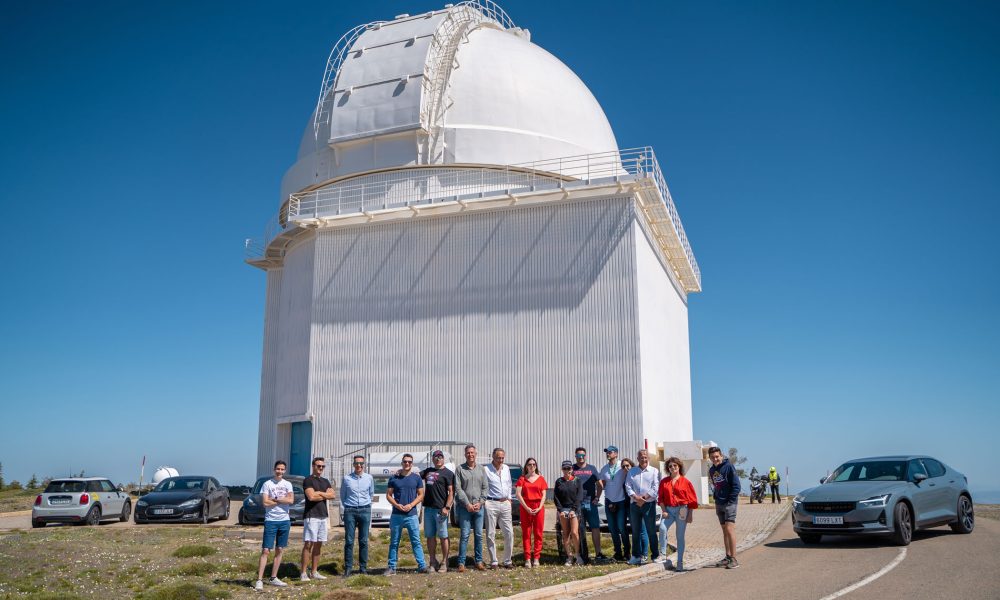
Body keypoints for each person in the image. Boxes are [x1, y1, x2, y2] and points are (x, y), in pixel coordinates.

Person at [255, 460, 295, 590]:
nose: (280, 471)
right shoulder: (267, 484)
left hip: (284, 520)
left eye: (282, 469)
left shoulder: (287, 484)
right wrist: (282, 501)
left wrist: (276, 499)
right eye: (278, 469)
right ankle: (259, 580)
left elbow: (291, 500)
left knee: (280, 549)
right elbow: (265, 503)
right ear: (274, 469)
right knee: (266, 550)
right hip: (271, 520)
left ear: (285, 470)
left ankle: (273, 577)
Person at [386, 453, 428, 575]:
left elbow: (421, 495)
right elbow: (388, 495)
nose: (407, 463)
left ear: (412, 463)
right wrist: (397, 505)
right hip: (396, 515)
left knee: (416, 541)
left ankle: (422, 566)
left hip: (412, 515)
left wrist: (411, 505)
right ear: (402, 463)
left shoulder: (416, 478)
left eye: (409, 461)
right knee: (394, 542)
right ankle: (391, 567)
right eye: (405, 461)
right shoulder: (394, 478)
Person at [656, 457, 698, 572]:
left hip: (682, 510)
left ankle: (680, 562)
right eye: (670, 466)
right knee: (662, 528)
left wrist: (690, 514)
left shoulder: (686, 482)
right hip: (668, 510)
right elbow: (661, 498)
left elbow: (692, 500)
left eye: (675, 465)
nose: (672, 467)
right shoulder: (664, 482)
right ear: (667, 468)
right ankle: (663, 554)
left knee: (679, 536)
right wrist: (664, 510)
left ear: (679, 467)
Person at [454, 444, 488, 572]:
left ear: (476, 454)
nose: (470, 455)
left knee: (479, 535)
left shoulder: (481, 469)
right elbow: (458, 488)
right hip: (465, 508)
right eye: (468, 453)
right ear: (465, 454)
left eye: (472, 452)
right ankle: (461, 563)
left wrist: (481, 502)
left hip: (479, 508)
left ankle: (478, 561)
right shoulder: (459, 469)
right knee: (465, 535)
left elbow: (485, 487)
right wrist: (467, 503)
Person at [301, 457, 335, 582]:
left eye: (322, 466)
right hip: (311, 516)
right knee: (308, 544)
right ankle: (303, 573)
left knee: (318, 544)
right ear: (313, 466)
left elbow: (333, 495)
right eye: (318, 466)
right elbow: (311, 497)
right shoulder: (308, 480)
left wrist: (319, 493)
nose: (320, 468)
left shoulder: (325, 481)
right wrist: (325, 495)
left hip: (323, 516)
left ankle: (314, 572)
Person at [420, 450, 456, 572]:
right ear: (433, 459)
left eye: (440, 457)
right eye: (436, 457)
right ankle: (432, 561)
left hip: (441, 510)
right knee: (430, 536)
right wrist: (400, 471)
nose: (438, 459)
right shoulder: (428, 471)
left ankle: (445, 562)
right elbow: (414, 475)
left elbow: (451, 492)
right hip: (428, 509)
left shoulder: (448, 473)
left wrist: (447, 507)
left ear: (443, 459)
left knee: (443, 536)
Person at [625, 449, 661, 565]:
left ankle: (655, 555)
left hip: (648, 504)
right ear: (637, 459)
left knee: (651, 531)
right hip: (634, 505)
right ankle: (636, 556)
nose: (643, 459)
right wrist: (636, 498)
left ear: (648, 458)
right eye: (641, 457)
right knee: (635, 531)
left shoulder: (654, 471)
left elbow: (656, 487)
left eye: (645, 457)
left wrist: (644, 498)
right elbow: (628, 486)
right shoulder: (632, 471)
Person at [340, 455, 374, 577]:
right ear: (353, 464)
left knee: (363, 540)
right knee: (349, 541)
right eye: (356, 463)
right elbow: (343, 495)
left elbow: (371, 494)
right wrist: (347, 507)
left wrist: (366, 505)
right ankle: (348, 568)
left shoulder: (369, 478)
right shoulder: (347, 478)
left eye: (361, 463)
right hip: (350, 511)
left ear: (364, 464)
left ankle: (363, 568)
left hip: (365, 510)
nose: (359, 465)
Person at [708, 446, 741, 569]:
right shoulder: (712, 470)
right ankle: (727, 556)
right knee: (724, 531)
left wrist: (731, 500)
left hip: (729, 503)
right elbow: (716, 485)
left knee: (729, 529)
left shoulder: (729, 467)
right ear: (710, 458)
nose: (715, 459)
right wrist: (716, 497)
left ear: (721, 456)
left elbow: (736, 486)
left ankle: (734, 559)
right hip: (719, 503)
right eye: (712, 457)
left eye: (717, 456)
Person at [572, 447, 605, 563]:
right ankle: (582, 554)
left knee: (595, 527)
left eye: (582, 455)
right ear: (575, 457)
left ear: (585, 456)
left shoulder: (592, 468)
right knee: (579, 529)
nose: (581, 458)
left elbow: (600, 485)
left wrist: (597, 498)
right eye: (578, 456)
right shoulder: (572, 469)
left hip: (591, 503)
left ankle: (598, 553)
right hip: (578, 504)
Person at [483, 448, 515, 569]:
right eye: (498, 458)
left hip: (505, 503)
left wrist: (509, 498)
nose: (500, 460)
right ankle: (494, 561)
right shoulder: (486, 469)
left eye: (502, 458)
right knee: (491, 533)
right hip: (491, 503)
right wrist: (485, 501)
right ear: (493, 457)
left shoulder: (506, 468)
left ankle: (507, 560)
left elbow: (509, 483)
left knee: (509, 532)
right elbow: (483, 486)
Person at [598, 446, 631, 561]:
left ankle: (627, 552)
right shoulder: (604, 468)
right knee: (612, 528)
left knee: (622, 527)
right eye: (606, 452)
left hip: (621, 501)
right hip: (609, 501)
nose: (608, 454)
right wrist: (597, 496)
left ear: (616, 454)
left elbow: (630, 476)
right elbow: (601, 483)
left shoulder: (622, 466)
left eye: (610, 452)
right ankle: (618, 553)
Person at [515, 458, 547, 568]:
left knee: (538, 533)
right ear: (526, 466)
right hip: (525, 507)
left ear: (536, 466)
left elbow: (544, 495)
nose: (532, 466)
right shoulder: (522, 479)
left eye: (534, 464)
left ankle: (536, 558)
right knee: (526, 533)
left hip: (538, 507)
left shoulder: (541, 479)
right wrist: (526, 507)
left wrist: (539, 507)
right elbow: (518, 494)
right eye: (529, 464)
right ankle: (528, 559)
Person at [554, 460, 584, 566]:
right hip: (563, 509)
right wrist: (560, 510)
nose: (567, 470)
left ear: (572, 469)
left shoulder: (577, 480)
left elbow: (579, 496)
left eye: (569, 468)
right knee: (566, 533)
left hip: (574, 509)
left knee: (574, 532)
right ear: (562, 469)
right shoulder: (559, 481)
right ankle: (569, 556)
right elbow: (556, 497)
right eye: (565, 468)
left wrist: (573, 509)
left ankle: (578, 555)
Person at [619, 457, 635, 557]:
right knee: (622, 528)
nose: (625, 468)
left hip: (633, 505)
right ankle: (627, 551)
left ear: (631, 465)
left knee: (635, 528)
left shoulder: (635, 476)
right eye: (623, 466)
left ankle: (637, 552)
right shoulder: (621, 477)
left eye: (627, 465)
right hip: (622, 505)